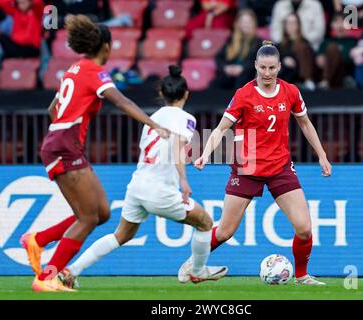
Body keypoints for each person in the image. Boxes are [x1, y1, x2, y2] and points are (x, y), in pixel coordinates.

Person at [20, 15, 169, 292]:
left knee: (100, 213)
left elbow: (52, 110)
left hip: (61, 142)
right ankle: (46, 278)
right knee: (88, 218)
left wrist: (66, 129)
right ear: (107, 47)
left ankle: (38, 240)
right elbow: (120, 100)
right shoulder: (94, 71)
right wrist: (153, 124)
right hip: (65, 146)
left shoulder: (74, 68)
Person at [57, 65, 228, 289]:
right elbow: (177, 143)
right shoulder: (186, 118)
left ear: (161, 94)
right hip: (160, 191)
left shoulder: (153, 118)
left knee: (121, 235)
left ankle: (71, 271)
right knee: (205, 222)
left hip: (137, 186)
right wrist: (184, 181)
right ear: (186, 94)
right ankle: (197, 271)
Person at [178, 40, 332, 286]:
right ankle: (192, 264)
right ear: (255, 67)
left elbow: (305, 123)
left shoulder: (291, 91)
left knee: (304, 228)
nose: (267, 73)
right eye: (263, 68)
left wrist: (322, 155)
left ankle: (302, 276)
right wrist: (206, 153)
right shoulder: (244, 94)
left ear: (279, 67)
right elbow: (221, 128)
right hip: (247, 167)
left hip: (280, 167)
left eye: (272, 68)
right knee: (226, 231)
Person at [212, 9, 263, 90]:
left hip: (247, 76)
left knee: (241, 81)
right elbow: (218, 58)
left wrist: (242, 68)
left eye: (248, 22)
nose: (246, 24)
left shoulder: (258, 43)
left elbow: (259, 63)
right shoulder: (231, 40)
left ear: (254, 24)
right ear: (238, 24)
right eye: (243, 22)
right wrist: (226, 68)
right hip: (229, 75)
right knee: (215, 83)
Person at [316, 13, 358, 88]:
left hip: (343, 74)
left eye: (343, 22)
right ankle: (323, 81)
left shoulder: (353, 42)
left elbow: (349, 60)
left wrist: (333, 56)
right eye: (337, 22)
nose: (340, 25)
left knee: (333, 48)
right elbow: (319, 62)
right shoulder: (326, 41)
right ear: (332, 25)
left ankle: (325, 81)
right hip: (324, 73)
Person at [277, 13, 316, 90]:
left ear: (298, 25)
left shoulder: (305, 43)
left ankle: (306, 80)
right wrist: (283, 60)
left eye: (293, 23)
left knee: (302, 46)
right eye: (288, 23)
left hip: (300, 78)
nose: (291, 26)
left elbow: (312, 59)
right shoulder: (280, 45)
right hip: (286, 77)